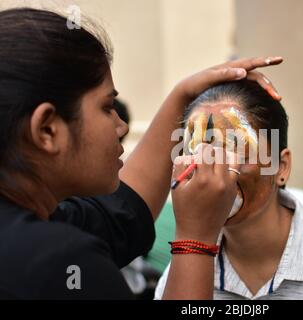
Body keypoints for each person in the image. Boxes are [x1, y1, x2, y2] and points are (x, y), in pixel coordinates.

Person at [0, 7, 282, 299]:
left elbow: (123, 215)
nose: (121, 127)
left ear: (282, 164)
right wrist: (195, 238)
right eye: (107, 107)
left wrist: (181, 95)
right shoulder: (60, 264)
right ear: (47, 130)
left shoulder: (35, 226)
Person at [154, 80, 303, 300]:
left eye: (231, 146)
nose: (207, 165)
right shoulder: (183, 274)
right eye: (194, 149)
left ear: (281, 167)